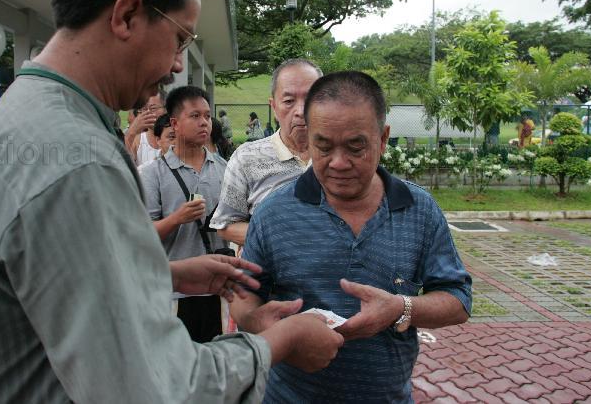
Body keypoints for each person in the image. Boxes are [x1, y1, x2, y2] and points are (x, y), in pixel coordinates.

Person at [0, 0, 343, 402]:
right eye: (180, 39)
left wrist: (157, 273)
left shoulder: (33, 113)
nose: (175, 65)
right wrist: (278, 342)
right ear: (126, 15)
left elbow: (39, 281)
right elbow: (156, 386)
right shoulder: (73, 158)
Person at [232, 71, 472, 403]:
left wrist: (401, 308)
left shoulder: (419, 209)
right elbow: (244, 296)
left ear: (384, 138)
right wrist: (257, 323)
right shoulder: (274, 213)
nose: (339, 163)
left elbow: (458, 299)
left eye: (355, 146)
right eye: (324, 146)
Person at [140, 86, 229, 342]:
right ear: (175, 124)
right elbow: (142, 236)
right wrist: (176, 218)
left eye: (207, 116)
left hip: (219, 291)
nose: (204, 123)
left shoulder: (224, 169)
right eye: (195, 116)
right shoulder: (152, 174)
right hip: (175, 293)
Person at [210, 58, 322, 246]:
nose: (300, 111)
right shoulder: (246, 157)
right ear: (274, 107)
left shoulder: (341, 157)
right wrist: (285, 238)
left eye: (311, 99)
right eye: (288, 101)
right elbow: (225, 226)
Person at [126, 90, 166, 165]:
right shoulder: (137, 140)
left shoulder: (178, 137)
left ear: (166, 109)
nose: (148, 113)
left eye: (153, 108)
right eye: (144, 109)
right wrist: (131, 132)